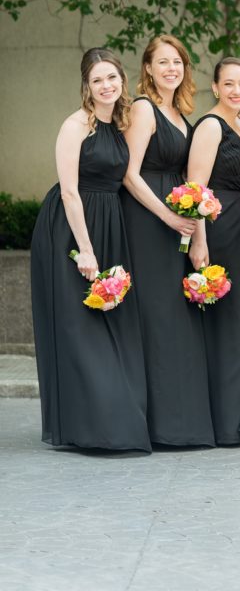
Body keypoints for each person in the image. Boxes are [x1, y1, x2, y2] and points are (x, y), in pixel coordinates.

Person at [31, 48, 150, 451]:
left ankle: (110, 420)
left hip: (109, 222)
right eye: (98, 80)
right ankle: (87, 428)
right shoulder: (76, 125)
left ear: (122, 79)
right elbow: (68, 190)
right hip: (71, 228)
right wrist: (85, 250)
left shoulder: (119, 122)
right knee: (79, 327)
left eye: (112, 78)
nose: (106, 86)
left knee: (108, 322)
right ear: (87, 85)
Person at [121, 35, 214, 447]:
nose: (171, 69)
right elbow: (129, 173)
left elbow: (190, 180)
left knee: (174, 315)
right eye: (163, 62)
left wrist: (194, 228)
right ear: (148, 69)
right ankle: (156, 425)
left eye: (177, 62)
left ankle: (179, 422)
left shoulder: (179, 113)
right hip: (147, 219)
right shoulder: (143, 109)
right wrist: (166, 214)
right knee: (156, 315)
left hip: (176, 221)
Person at [187, 57, 240, 446]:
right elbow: (196, 187)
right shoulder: (211, 126)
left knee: (236, 325)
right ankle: (220, 424)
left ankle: (234, 418)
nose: (237, 91)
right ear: (214, 87)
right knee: (221, 323)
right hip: (217, 227)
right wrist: (200, 240)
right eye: (229, 84)